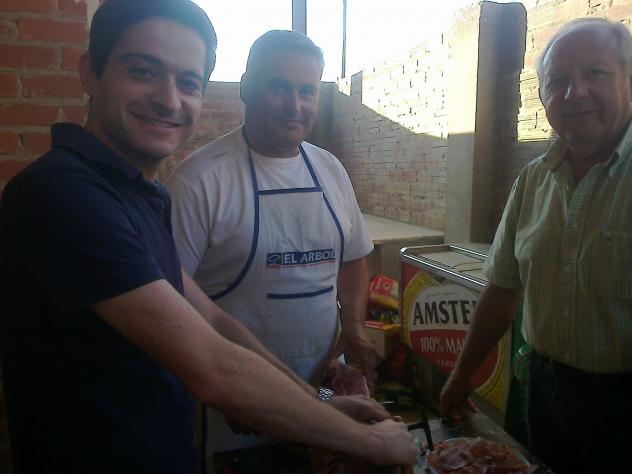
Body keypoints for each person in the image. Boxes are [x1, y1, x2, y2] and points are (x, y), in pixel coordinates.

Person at [0, 2, 416, 473]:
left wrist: (319, 401)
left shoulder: (140, 196)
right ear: (90, 74)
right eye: (143, 71)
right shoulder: (63, 194)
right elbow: (213, 365)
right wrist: (372, 443)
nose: (169, 100)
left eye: (188, 83)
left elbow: (216, 323)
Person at [167, 31, 378, 453]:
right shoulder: (199, 180)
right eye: (278, 87)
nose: (294, 105)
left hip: (325, 388)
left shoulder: (331, 170)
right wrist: (232, 389)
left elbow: (353, 258)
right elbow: (172, 301)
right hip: (236, 400)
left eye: (307, 91)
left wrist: (354, 322)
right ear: (246, 88)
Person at [439, 17, 632, 474]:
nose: (575, 92)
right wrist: (462, 374)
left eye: (595, 73)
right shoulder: (534, 180)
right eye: (557, 81)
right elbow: (502, 289)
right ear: (543, 96)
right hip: (543, 390)